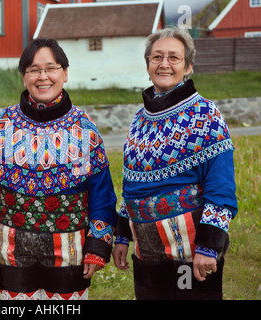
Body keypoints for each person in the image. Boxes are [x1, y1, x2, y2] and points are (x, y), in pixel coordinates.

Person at [0, 38, 118, 300]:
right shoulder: (3, 124)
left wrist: (97, 244)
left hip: (69, 250)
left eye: (51, 68)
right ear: (23, 76)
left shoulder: (84, 128)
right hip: (11, 248)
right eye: (33, 69)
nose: (43, 77)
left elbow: (102, 192)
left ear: (65, 74)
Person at [112, 27, 237, 300]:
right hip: (146, 252)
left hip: (192, 251)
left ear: (188, 66)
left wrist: (208, 245)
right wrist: (122, 235)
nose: (164, 64)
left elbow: (220, 183)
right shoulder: (138, 120)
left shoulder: (205, 114)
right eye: (156, 57)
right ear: (147, 65)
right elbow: (131, 185)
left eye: (174, 57)